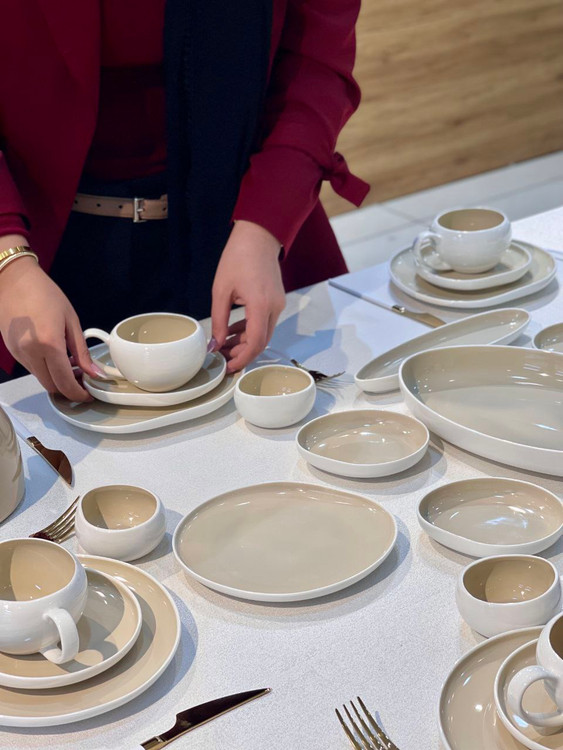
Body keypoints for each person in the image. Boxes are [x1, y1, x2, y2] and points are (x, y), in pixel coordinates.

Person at [0, 0, 369, 402]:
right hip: (39, 248)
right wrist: (9, 263)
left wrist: (263, 228)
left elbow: (316, 66)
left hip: (242, 233)